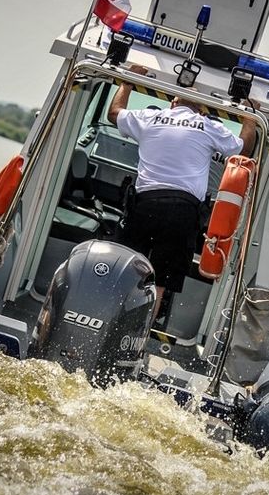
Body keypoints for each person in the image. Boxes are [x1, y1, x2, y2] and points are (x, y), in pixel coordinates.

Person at [108, 64, 257, 319]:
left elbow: (114, 113)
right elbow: (243, 149)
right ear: (201, 108)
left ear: (172, 102)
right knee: (160, 281)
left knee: (127, 271)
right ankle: (139, 337)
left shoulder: (149, 118)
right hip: (183, 213)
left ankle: (109, 322)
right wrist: (250, 118)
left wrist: (127, 83)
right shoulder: (207, 126)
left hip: (145, 205)